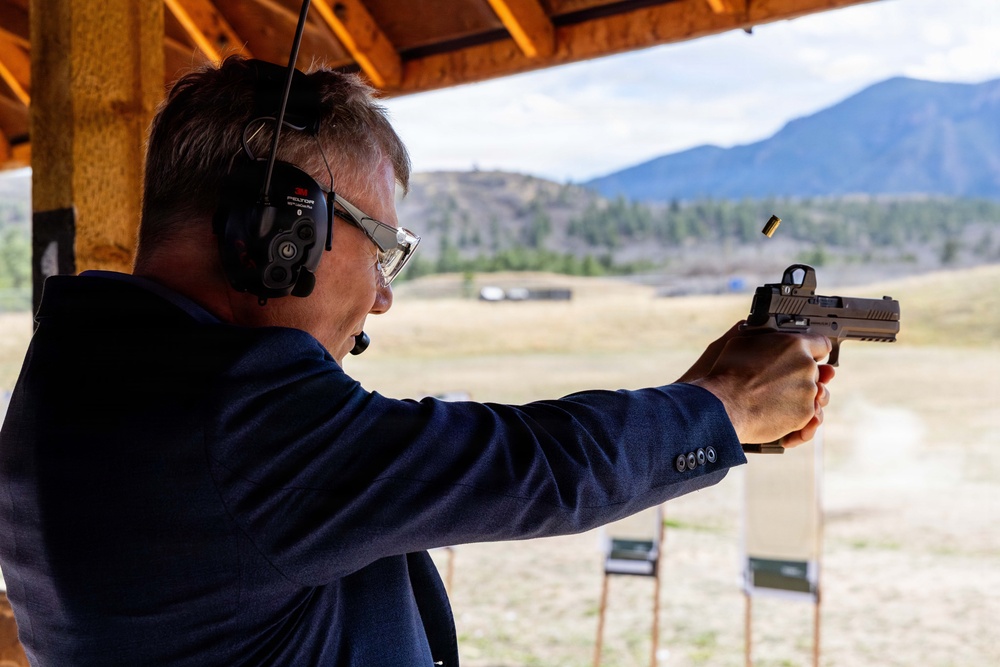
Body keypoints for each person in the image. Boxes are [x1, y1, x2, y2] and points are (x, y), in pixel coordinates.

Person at [0, 56, 833, 666]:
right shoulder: (224, 413)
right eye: (382, 250)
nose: (382, 299)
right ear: (283, 234)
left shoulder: (88, 374)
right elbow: (537, 466)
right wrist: (723, 403)